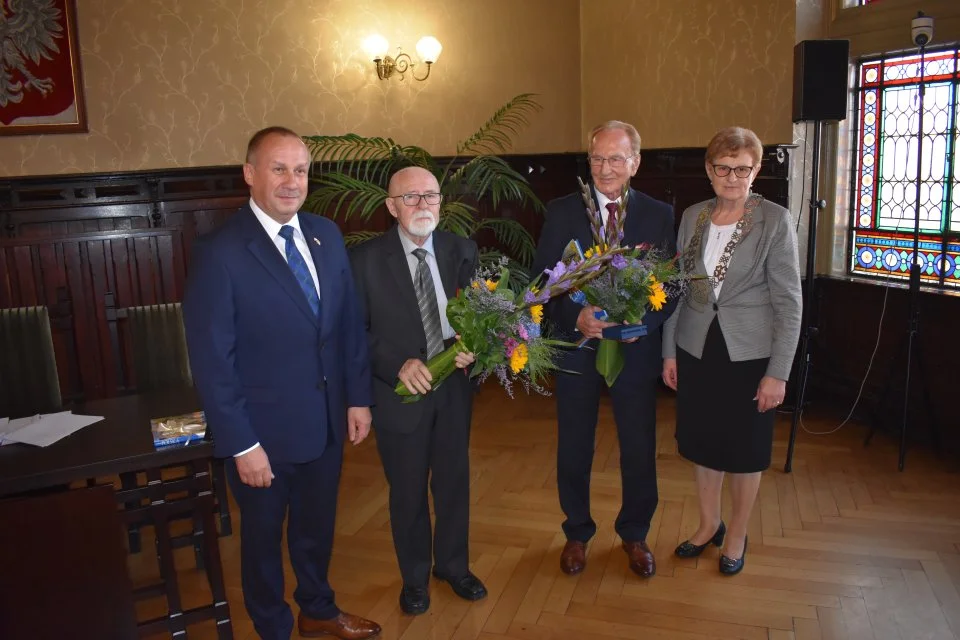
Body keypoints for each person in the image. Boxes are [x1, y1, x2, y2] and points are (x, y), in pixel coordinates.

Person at [183, 126, 382, 640]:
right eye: (279, 168)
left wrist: (358, 398)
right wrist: (241, 444)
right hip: (262, 437)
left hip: (325, 426)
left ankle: (317, 611)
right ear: (249, 174)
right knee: (263, 543)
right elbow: (212, 361)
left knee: (316, 533)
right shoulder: (220, 252)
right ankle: (273, 629)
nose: (293, 181)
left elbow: (347, 328)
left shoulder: (326, 234)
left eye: (301, 170)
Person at [531, 120, 677, 578]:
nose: (605, 169)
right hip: (577, 349)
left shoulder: (659, 214)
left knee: (638, 445)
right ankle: (577, 531)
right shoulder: (561, 211)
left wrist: (642, 319)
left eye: (616, 159)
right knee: (574, 444)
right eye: (597, 158)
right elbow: (541, 283)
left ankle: (635, 532)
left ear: (635, 162)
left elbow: (669, 288)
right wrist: (574, 318)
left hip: (634, 352)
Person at [662, 126, 802, 575]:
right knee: (704, 444)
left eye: (743, 168)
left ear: (756, 170)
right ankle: (708, 524)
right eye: (724, 167)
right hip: (697, 347)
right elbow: (676, 288)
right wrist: (669, 351)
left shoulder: (774, 220)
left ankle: (737, 533)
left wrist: (778, 372)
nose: (733, 177)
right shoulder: (693, 216)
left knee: (744, 451)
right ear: (709, 170)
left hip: (750, 355)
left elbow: (789, 302)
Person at [349, 166, 487, 615]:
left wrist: (475, 347)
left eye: (431, 196)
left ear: (441, 202)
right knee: (407, 491)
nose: (423, 205)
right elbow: (353, 332)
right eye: (410, 198)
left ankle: (452, 566)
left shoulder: (462, 250)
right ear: (392, 207)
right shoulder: (365, 260)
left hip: (453, 391)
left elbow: (484, 314)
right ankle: (414, 578)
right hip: (398, 394)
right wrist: (396, 364)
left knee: (453, 484)